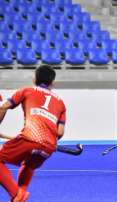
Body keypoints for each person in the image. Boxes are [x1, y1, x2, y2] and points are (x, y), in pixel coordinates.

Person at [0, 65, 66, 201]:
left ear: (34, 78)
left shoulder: (27, 91)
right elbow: (60, 132)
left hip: (30, 137)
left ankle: (17, 194)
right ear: (52, 82)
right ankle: (20, 194)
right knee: (29, 165)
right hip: (49, 146)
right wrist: (46, 141)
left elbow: (4, 107)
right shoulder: (61, 103)